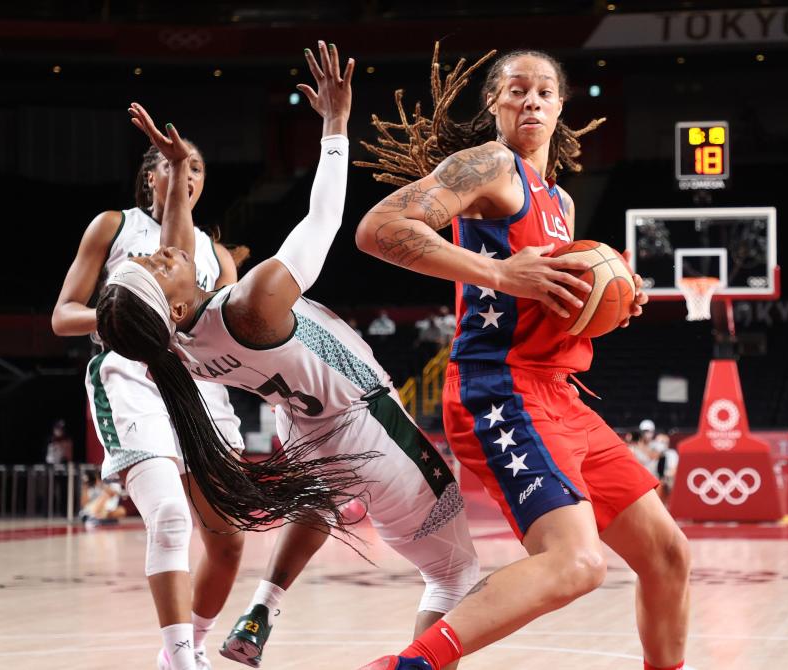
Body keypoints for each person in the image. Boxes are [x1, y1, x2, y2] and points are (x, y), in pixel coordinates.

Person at [100, 42, 478, 670]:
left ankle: (262, 610)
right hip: (366, 423)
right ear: (167, 302)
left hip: (304, 428)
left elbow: (174, 265)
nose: (160, 252)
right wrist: (335, 126)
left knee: (319, 502)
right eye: (153, 263)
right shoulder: (252, 304)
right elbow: (325, 218)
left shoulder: (175, 344)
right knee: (454, 576)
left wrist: (171, 178)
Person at [355, 44, 690, 670]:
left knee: (667, 553)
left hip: (561, 393)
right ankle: (404, 667)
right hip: (501, 389)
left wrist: (614, 299)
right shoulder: (488, 166)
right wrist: (499, 273)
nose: (530, 99)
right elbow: (377, 229)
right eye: (515, 89)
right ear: (494, 104)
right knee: (578, 563)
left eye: (543, 91)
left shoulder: (560, 206)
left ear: (561, 107)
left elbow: (554, 298)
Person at [52, 108, 249, 670]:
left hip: (201, 390)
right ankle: (182, 659)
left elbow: (222, 335)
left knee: (229, 540)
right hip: (132, 376)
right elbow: (63, 316)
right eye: (171, 163)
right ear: (149, 177)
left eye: (195, 167)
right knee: (168, 515)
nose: (184, 174)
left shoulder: (219, 258)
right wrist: (124, 315)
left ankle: (188, 647)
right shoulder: (113, 225)